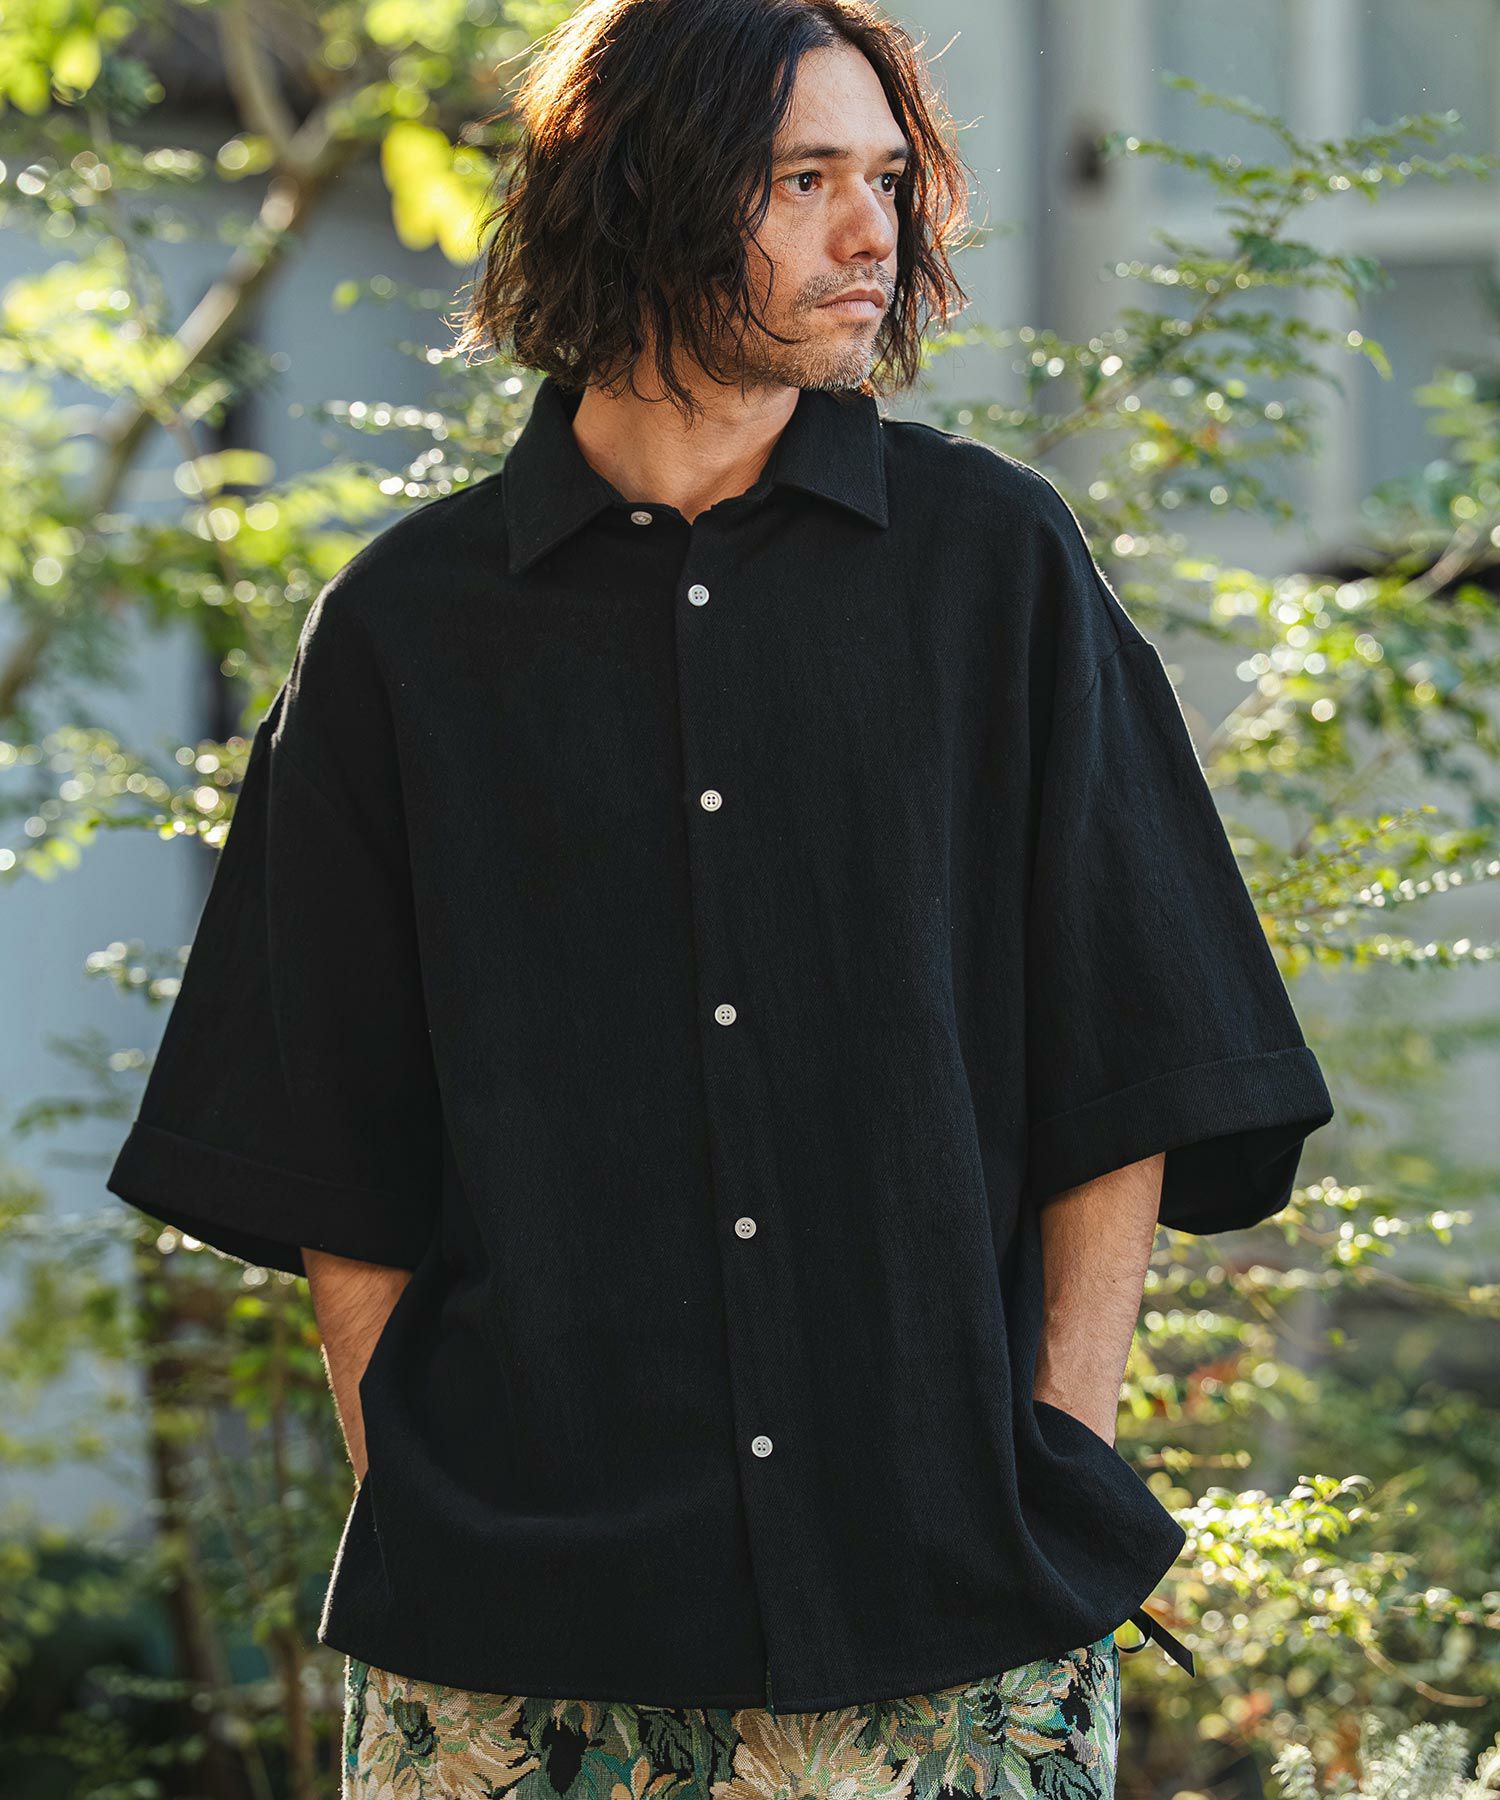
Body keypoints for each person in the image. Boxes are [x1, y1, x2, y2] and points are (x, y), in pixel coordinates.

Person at [106, 0, 1336, 1792]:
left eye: (888, 179)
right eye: (803, 179)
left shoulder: (992, 570)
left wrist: (1058, 1444)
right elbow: (326, 1128)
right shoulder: (407, 631)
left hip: (942, 1610)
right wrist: (414, 1474)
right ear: (640, 191)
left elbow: (1137, 1044)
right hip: (516, 1644)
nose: (870, 231)